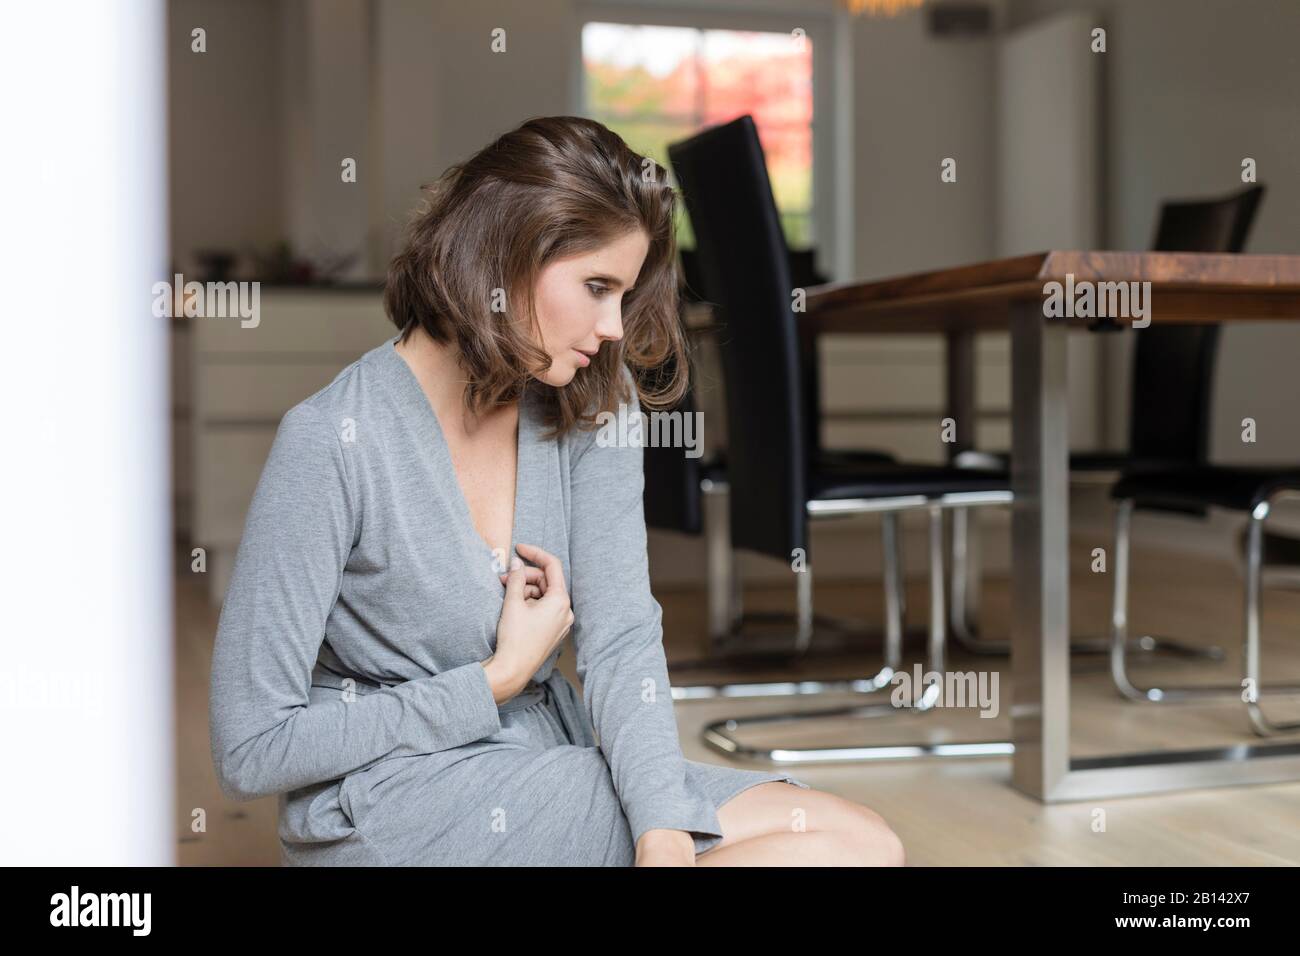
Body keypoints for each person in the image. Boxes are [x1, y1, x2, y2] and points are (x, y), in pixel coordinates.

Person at [208, 115, 905, 867]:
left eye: (624, 294)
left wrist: (660, 833)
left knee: (862, 843)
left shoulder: (589, 403)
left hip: (549, 763)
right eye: (596, 287)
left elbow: (622, 639)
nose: (612, 328)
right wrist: (496, 680)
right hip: (395, 801)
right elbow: (252, 746)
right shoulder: (333, 439)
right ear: (504, 251)